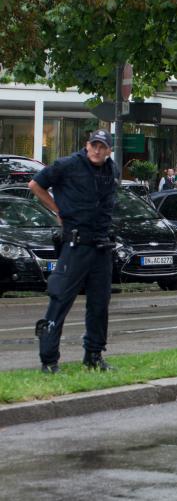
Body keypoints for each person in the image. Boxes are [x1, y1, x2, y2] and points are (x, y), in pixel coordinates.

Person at [28, 129, 119, 373]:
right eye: (94, 145)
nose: (98, 151)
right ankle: (49, 361)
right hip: (76, 244)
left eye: (103, 147)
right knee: (60, 300)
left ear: (109, 150)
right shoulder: (67, 165)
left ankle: (94, 355)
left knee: (100, 303)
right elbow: (35, 184)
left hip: (101, 244)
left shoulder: (112, 170)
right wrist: (57, 210)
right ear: (87, 145)